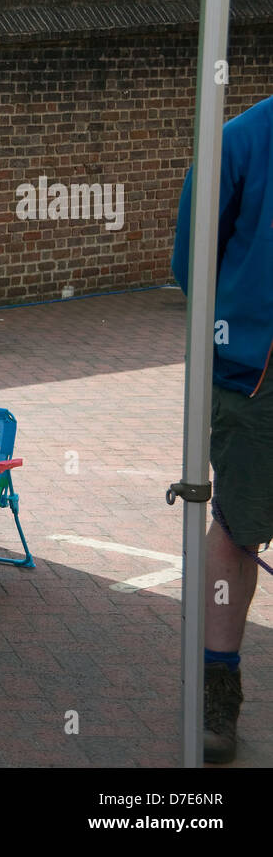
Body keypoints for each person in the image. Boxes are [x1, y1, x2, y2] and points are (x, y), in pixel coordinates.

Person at [172, 94, 273, 764]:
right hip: (252, 379)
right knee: (236, 529)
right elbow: (192, 263)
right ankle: (218, 687)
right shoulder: (239, 142)